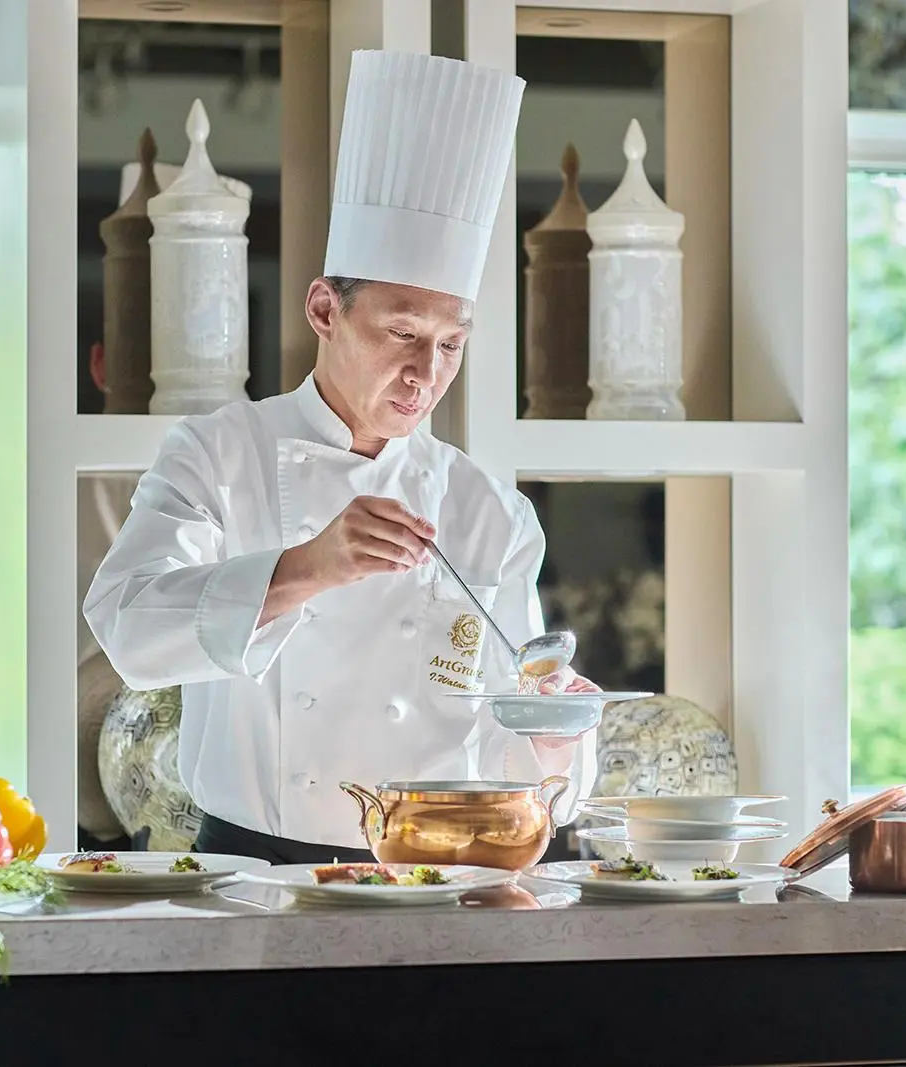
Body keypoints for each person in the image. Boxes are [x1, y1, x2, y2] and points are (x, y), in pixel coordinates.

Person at [84, 50, 600, 864]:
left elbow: (518, 744)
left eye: (450, 344)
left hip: (436, 879)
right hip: (254, 876)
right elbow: (128, 625)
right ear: (325, 308)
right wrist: (307, 566)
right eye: (402, 333)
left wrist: (558, 732)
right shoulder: (219, 454)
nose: (426, 374)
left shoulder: (486, 508)